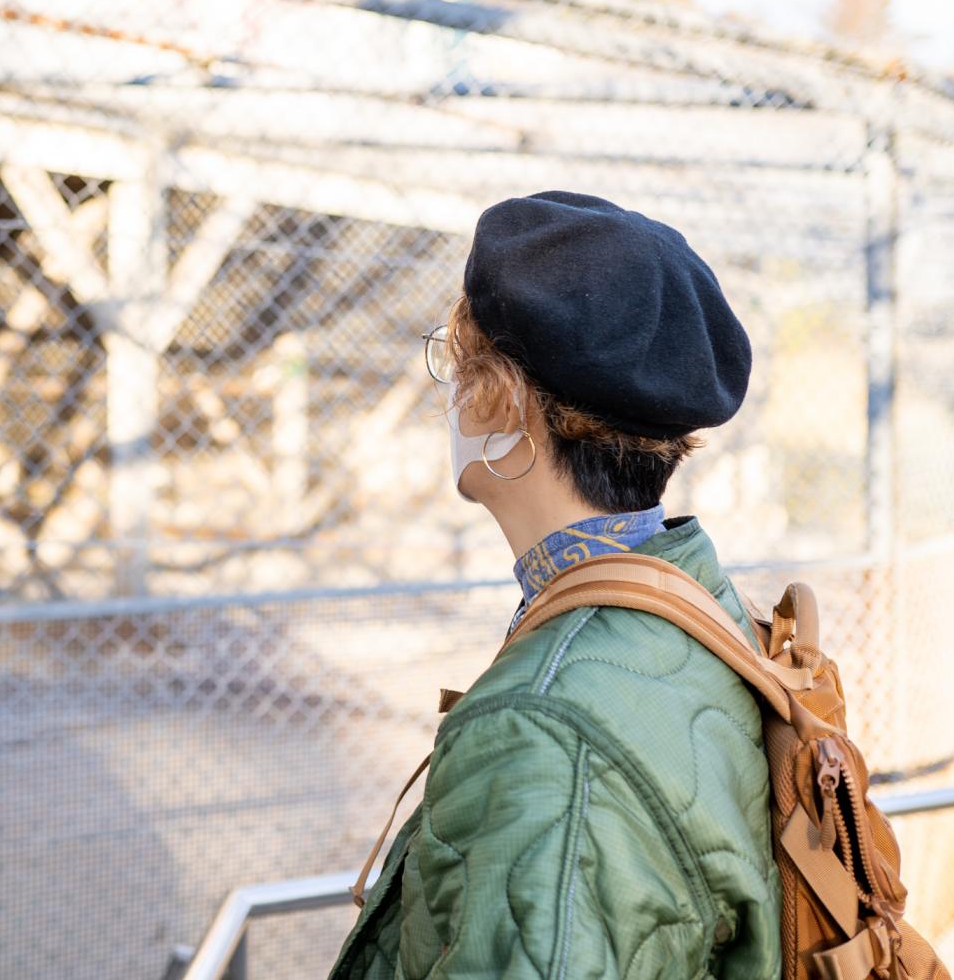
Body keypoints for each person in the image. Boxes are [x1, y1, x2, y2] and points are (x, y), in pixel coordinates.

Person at [329, 191, 779, 979]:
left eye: (457, 362)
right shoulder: (703, 611)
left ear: (501, 401)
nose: (451, 396)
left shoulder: (546, 731)